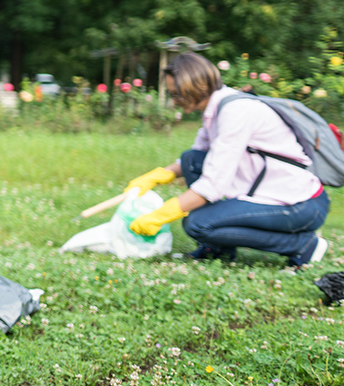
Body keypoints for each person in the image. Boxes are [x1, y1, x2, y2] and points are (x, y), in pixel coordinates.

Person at [123, 52, 330, 268]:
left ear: (197, 87)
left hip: (299, 206)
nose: (174, 101)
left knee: (197, 224)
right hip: (267, 192)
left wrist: (162, 214)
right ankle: (218, 250)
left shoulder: (236, 111)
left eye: (178, 94)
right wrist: (158, 176)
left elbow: (212, 185)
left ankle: (303, 245)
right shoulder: (218, 108)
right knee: (190, 160)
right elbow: (198, 154)